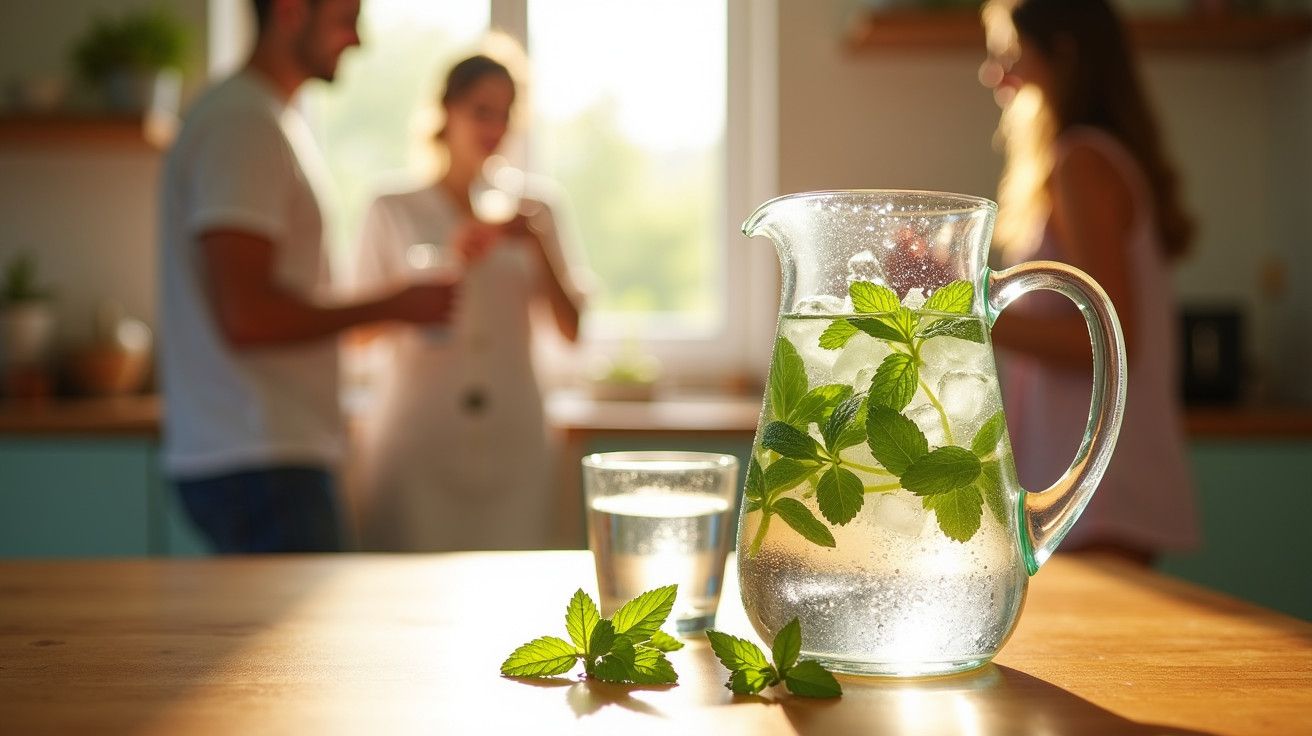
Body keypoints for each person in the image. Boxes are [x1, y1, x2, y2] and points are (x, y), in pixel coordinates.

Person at [157, 0, 459, 553]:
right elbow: (247, 315)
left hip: (260, 454)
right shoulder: (243, 124)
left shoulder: (265, 119)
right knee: (299, 644)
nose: (358, 40)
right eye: (346, 18)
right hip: (258, 458)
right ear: (293, 10)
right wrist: (392, 305)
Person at [979, 0, 1199, 564]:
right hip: (1090, 481)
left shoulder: (1082, 163)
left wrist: (972, 309)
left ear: (1064, 53)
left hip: (1101, 489)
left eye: (1010, 52)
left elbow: (1107, 339)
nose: (994, 72)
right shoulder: (1085, 159)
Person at [350, 51, 589, 551]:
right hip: (419, 436)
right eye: (482, 110)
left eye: (506, 113)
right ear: (446, 112)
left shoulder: (537, 209)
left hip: (513, 437)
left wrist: (538, 245)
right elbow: (359, 335)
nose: (495, 127)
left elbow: (571, 331)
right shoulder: (392, 207)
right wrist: (445, 261)